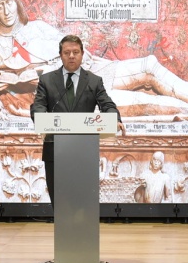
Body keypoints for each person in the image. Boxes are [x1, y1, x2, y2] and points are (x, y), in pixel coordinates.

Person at [0, 0, 188, 117]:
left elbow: (72, 49)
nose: (6, 10)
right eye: (0, 5)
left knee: (148, 66)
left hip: (89, 73)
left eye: (9, 3)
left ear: (17, 4)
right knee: (141, 101)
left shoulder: (38, 27)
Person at [31, 34, 124, 200]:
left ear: (82, 54)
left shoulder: (94, 81)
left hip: (84, 149)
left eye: (75, 52)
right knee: (60, 202)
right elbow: (38, 106)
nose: (71, 56)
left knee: (82, 202)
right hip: (55, 149)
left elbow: (107, 105)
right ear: (61, 55)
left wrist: (114, 119)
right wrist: (41, 119)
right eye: (67, 52)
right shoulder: (47, 80)